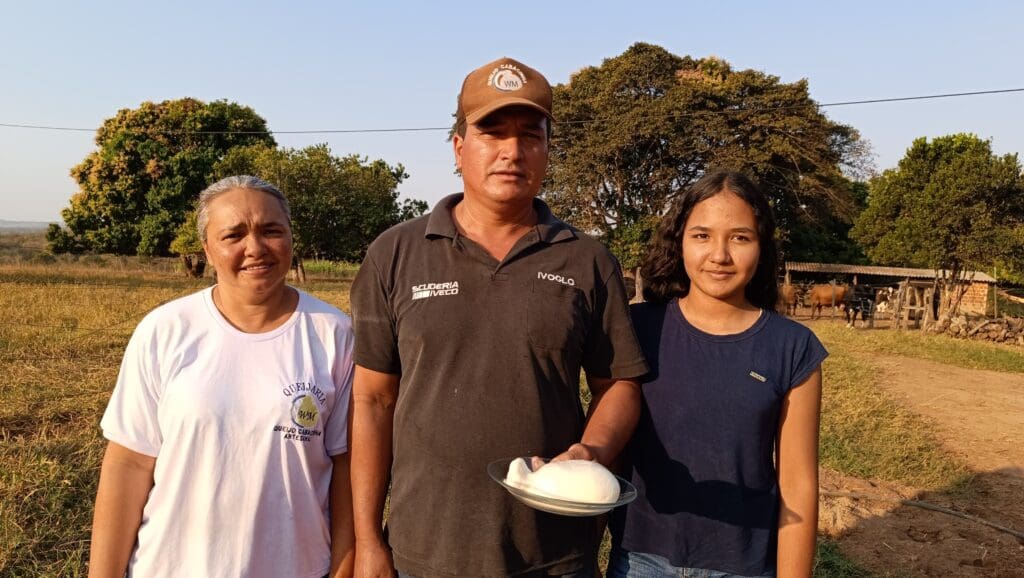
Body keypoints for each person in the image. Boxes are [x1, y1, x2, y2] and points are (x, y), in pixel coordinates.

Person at [349, 57, 649, 578]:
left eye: (531, 135)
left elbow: (617, 385)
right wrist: (369, 541)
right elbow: (373, 401)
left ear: (548, 150)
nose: (512, 151)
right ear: (460, 147)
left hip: (552, 552)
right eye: (492, 132)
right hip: (425, 549)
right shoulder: (395, 253)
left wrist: (591, 449)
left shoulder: (587, 260)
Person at [89, 176, 355, 578]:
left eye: (272, 231)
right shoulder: (166, 330)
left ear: (290, 239)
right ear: (208, 250)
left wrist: (344, 567)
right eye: (234, 234)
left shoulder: (334, 334)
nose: (255, 248)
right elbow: (128, 463)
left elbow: (348, 469)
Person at [608, 171, 825, 578]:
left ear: (762, 247)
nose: (720, 255)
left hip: (743, 566)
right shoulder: (637, 329)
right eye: (702, 236)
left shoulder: (793, 347)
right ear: (680, 242)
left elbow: (798, 484)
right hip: (640, 560)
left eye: (740, 237)